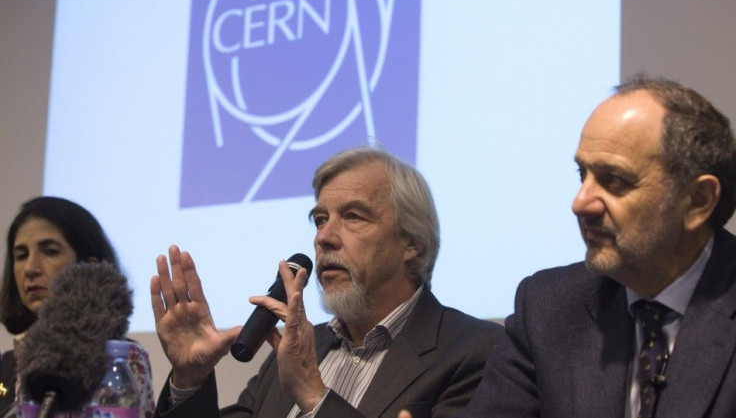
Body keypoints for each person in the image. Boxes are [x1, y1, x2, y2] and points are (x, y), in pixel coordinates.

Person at [436, 75, 736, 418]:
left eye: (615, 181)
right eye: (583, 175)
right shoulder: (548, 307)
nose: (581, 203)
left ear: (697, 201)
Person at [150, 146, 502, 418]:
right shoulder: (300, 349)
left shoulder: (476, 352)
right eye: (319, 219)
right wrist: (190, 379)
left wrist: (315, 396)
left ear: (411, 243)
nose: (324, 238)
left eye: (353, 216)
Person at [0, 196, 156, 418]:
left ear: (89, 267)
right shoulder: (5, 365)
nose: (30, 268)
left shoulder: (120, 360)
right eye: (21, 255)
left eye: (50, 251)